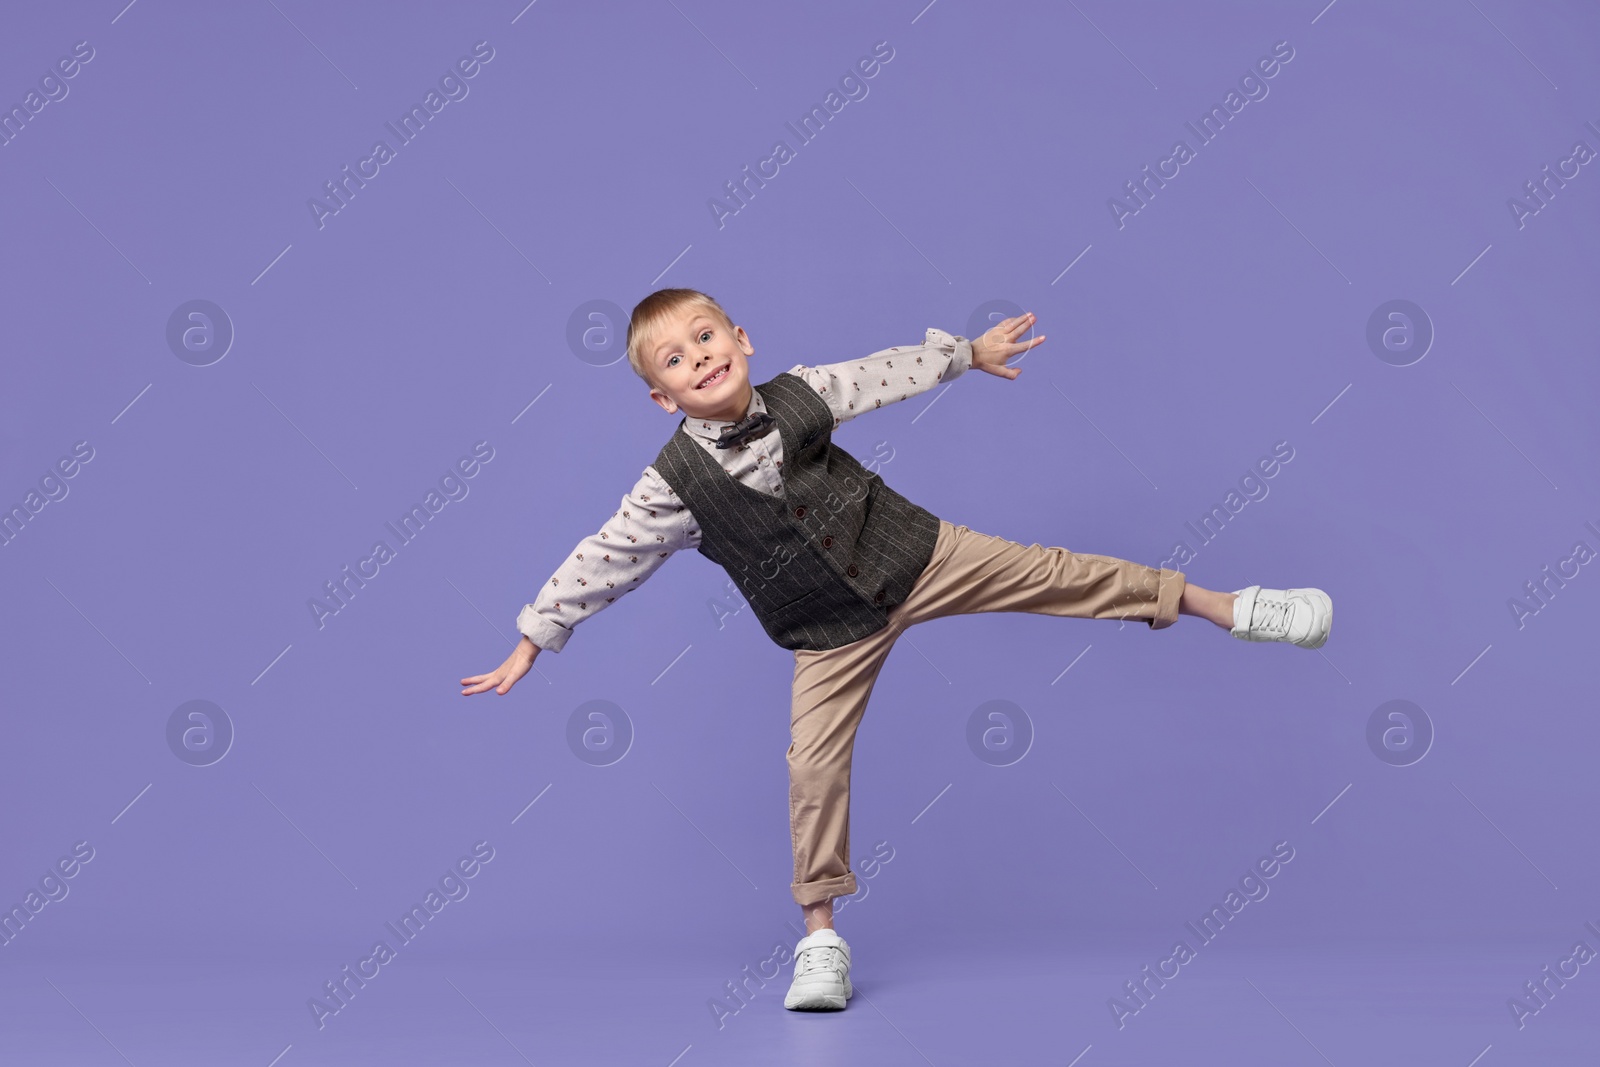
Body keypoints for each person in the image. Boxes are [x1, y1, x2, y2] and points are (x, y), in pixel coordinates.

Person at [461, 288, 1332, 1012]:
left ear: (741, 337)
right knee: (811, 766)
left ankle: (1230, 605)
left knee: (1059, 573)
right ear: (662, 396)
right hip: (828, 627)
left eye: (706, 337)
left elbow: (881, 373)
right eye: (676, 361)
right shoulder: (672, 486)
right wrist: (538, 632)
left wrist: (966, 353)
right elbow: (608, 551)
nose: (699, 358)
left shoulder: (800, 392)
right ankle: (821, 938)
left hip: (914, 554)